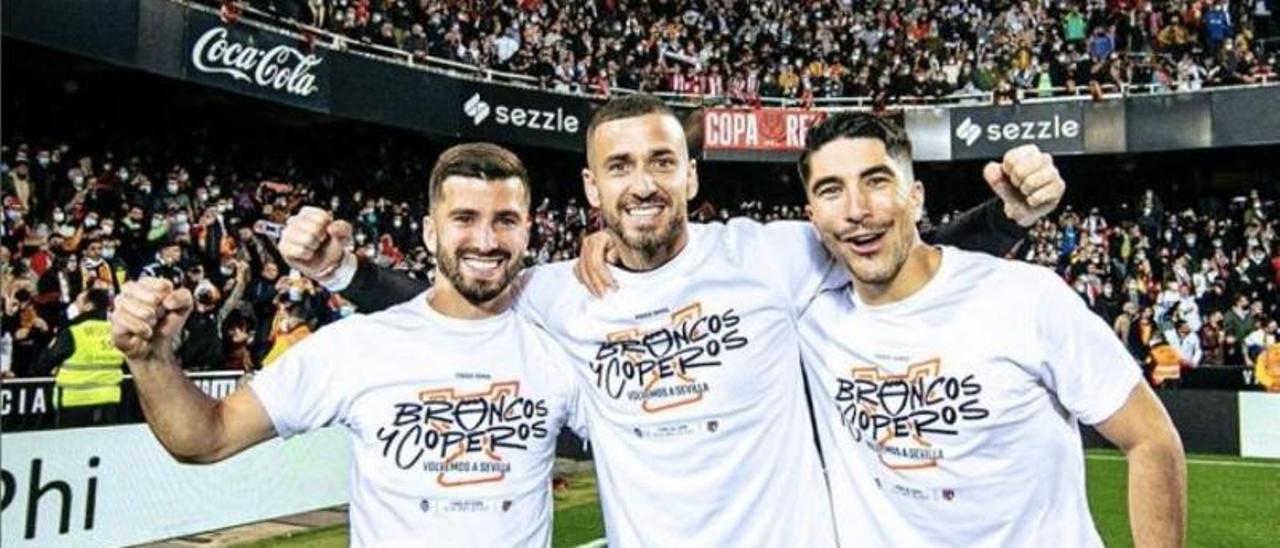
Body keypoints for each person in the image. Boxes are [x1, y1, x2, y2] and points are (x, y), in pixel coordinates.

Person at [281, 94, 1064, 546]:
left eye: (661, 161)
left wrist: (1006, 217)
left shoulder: (772, 257)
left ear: (691, 173)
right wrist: (343, 273)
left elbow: (893, 253)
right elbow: (453, 301)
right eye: (620, 167)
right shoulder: (558, 293)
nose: (643, 183)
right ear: (592, 189)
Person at [109, 143, 585, 546]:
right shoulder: (357, 347)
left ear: (529, 231)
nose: (485, 239)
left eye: (505, 220)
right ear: (428, 231)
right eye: (464, 218)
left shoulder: (559, 352)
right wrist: (150, 358)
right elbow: (203, 438)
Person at [790, 112, 1186, 546]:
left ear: (916, 197)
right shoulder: (809, 319)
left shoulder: (1026, 298)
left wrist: (1006, 214)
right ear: (812, 217)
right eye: (831, 191)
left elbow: (1150, 439)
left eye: (877, 181)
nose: (857, 210)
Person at [37, 288, 126, 427]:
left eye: (78, 301)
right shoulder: (118, 332)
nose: (75, 305)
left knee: (72, 448)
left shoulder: (74, 332)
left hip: (74, 402)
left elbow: (43, 364)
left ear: (88, 306)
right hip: (109, 401)